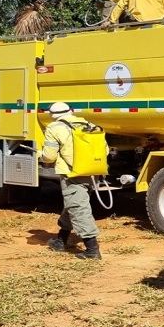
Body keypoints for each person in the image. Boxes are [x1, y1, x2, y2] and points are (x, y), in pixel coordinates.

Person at [42, 102, 103, 260]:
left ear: (52, 115)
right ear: (71, 111)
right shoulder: (89, 125)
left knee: (78, 207)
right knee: (74, 203)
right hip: (92, 171)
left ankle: (92, 250)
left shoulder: (54, 128)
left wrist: (42, 157)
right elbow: (105, 150)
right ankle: (61, 241)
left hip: (72, 173)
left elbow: (49, 156)